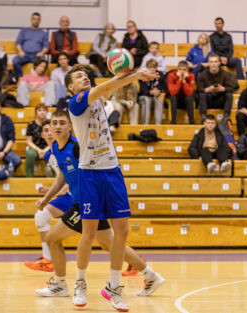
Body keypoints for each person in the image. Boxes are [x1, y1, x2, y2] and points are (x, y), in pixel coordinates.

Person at [35, 110, 164, 298]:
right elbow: (63, 177)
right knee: (110, 244)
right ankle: (151, 275)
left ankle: (60, 284)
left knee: (52, 238)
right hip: (84, 203)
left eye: (62, 123)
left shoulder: (78, 147)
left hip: (87, 202)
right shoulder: (55, 148)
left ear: (70, 126)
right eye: (54, 123)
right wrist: (47, 198)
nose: (57, 126)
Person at [65, 64, 159, 311]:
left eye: (85, 74)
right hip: (89, 173)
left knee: (123, 230)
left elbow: (109, 86)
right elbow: (108, 85)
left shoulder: (98, 97)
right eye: (78, 76)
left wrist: (130, 74)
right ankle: (80, 283)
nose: (83, 77)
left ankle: (113, 287)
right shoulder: (76, 103)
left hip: (112, 170)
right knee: (89, 232)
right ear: (70, 87)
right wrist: (134, 76)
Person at [24, 119, 66, 272]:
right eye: (46, 131)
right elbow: (62, 178)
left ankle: (132, 259)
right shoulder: (49, 154)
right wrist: (50, 191)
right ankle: (48, 260)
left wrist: (51, 194)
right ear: (42, 135)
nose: (50, 133)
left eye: (52, 130)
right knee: (41, 217)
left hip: (80, 194)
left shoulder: (64, 149)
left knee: (102, 235)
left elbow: (70, 178)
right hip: (72, 194)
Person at [197, 54, 237, 121]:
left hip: (220, 100)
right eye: (211, 62)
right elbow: (199, 89)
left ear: (219, 63)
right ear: (208, 63)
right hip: (209, 100)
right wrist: (208, 89)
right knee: (202, 94)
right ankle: (203, 116)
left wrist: (223, 89)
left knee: (229, 94)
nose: (213, 64)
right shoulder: (202, 75)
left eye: (215, 62)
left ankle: (226, 116)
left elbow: (231, 88)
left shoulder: (225, 74)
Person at [13, 12, 49, 77]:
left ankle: (40, 80)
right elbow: (18, 43)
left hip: (37, 55)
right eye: (34, 19)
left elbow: (46, 46)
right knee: (15, 61)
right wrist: (20, 51)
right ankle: (20, 78)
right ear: (31, 20)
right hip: (25, 54)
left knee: (44, 62)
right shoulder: (24, 31)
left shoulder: (43, 33)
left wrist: (42, 52)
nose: (36, 20)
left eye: (38, 19)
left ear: (40, 21)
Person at [167, 60, 195, 124]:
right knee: (173, 98)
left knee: (189, 98)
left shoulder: (191, 76)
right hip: (175, 99)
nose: (182, 71)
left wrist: (184, 81)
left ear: (187, 70)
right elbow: (173, 92)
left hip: (185, 99)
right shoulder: (171, 75)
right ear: (177, 69)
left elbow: (189, 93)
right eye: (180, 69)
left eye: (184, 70)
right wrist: (179, 79)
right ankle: (173, 122)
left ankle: (191, 122)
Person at [138, 59, 165, 125]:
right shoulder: (143, 75)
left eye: (154, 67)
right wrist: (150, 92)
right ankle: (145, 123)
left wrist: (159, 91)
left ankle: (158, 123)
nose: (152, 69)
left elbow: (164, 88)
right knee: (147, 99)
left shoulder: (160, 75)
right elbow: (141, 90)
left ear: (156, 68)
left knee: (158, 99)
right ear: (147, 68)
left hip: (154, 97)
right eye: (150, 67)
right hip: (143, 97)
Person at [25, 103, 49, 178]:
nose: (42, 112)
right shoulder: (31, 125)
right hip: (35, 147)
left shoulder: (50, 124)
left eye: (44, 110)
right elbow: (29, 141)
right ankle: (29, 178)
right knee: (29, 154)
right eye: (39, 110)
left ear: (46, 112)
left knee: (54, 153)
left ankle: (55, 178)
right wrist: (39, 150)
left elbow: (55, 140)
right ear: (36, 112)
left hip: (48, 147)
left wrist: (45, 150)